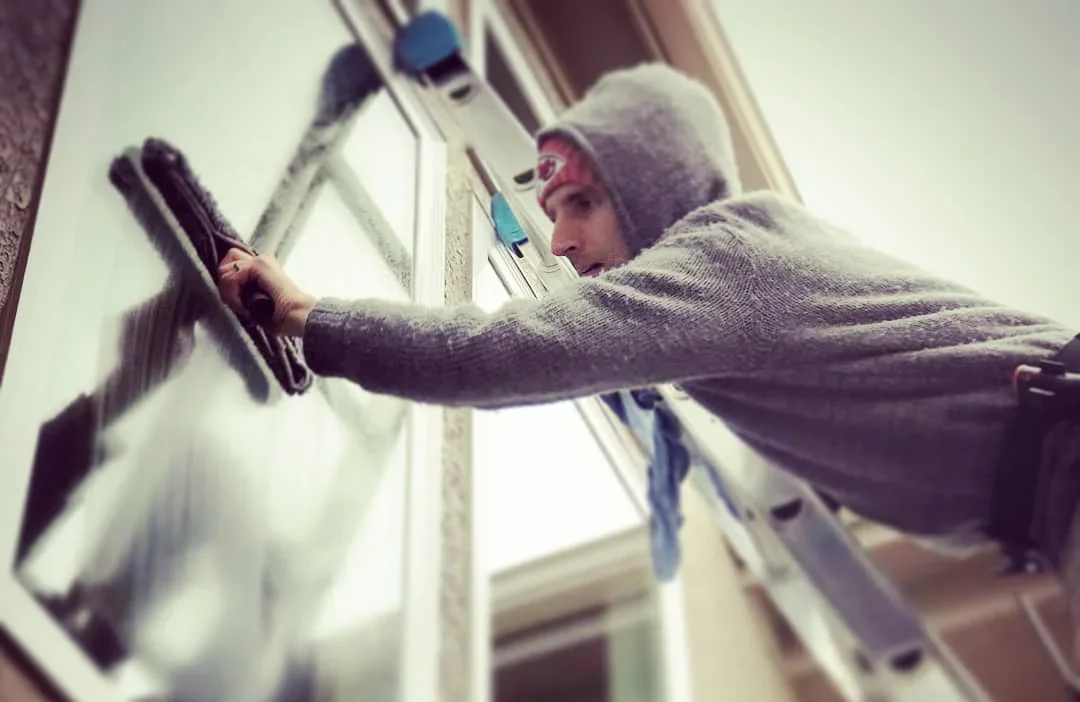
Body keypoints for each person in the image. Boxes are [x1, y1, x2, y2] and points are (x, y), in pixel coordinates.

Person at [218, 63, 1080, 605]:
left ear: (655, 190)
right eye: (551, 212)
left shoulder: (725, 257)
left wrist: (308, 318)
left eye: (581, 205)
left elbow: (506, 352)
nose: (558, 242)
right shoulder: (745, 276)